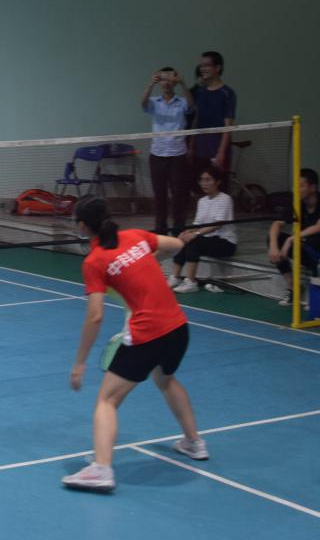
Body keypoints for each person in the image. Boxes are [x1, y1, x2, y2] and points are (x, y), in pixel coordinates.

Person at [62, 195, 208, 493]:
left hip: (147, 335)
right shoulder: (136, 236)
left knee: (106, 400)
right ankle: (194, 442)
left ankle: (101, 469)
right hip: (178, 327)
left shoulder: (94, 261)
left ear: (82, 226)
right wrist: (146, 259)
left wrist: (79, 362)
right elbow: (176, 245)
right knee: (165, 379)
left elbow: (95, 316)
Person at [267, 168, 320, 307]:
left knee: (314, 238)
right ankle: (294, 287)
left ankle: (318, 293)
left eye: (301, 186)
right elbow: (276, 224)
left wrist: (291, 239)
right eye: (294, 185)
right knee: (275, 238)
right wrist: (274, 246)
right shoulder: (297, 202)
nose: (296, 189)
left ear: (313, 188)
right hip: (312, 252)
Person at [141, 67, 194, 235]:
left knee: (179, 196)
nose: (166, 82)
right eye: (163, 79)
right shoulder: (154, 101)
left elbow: (191, 107)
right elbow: (143, 104)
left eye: (170, 79)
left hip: (178, 155)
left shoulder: (182, 101)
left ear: (175, 81)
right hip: (157, 155)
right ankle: (161, 232)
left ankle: (179, 231)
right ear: (159, 81)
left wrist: (183, 83)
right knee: (160, 196)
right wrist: (150, 85)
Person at [169, 166, 235, 294]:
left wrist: (196, 234)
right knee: (181, 238)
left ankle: (191, 282)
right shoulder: (202, 201)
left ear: (218, 182)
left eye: (208, 180)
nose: (204, 183)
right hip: (207, 239)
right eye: (201, 180)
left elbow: (218, 224)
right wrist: (187, 232)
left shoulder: (225, 199)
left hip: (225, 242)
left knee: (194, 242)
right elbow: (197, 223)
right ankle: (175, 277)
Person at [189, 51, 236, 187]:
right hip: (200, 146)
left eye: (206, 65)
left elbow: (228, 126)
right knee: (201, 187)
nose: (202, 68)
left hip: (217, 145)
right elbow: (196, 119)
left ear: (218, 68)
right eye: (201, 65)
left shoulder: (228, 93)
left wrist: (221, 152)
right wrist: (191, 146)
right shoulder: (200, 92)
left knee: (219, 187)